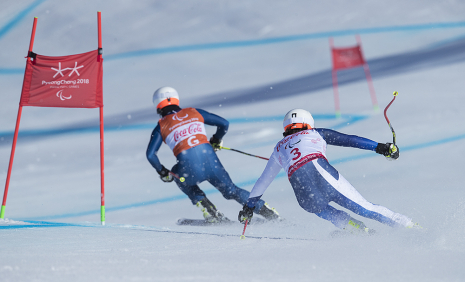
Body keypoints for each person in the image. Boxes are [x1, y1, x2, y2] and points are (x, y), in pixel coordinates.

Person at [238, 108, 420, 234]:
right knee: (365, 208)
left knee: (322, 210)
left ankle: (357, 231)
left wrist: (249, 206)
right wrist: (380, 147)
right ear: (308, 123)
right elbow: (348, 140)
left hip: (302, 194)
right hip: (322, 175)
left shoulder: (278, 148)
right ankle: (409, 227)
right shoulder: (315, 132)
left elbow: (264, 180)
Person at [146, 86, 280, 223]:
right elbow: (224, 123)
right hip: (211, 163)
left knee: (176, 174)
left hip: (188, 171)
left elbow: (151, 155)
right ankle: (267, 212)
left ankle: (211, 213)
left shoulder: (161, 126)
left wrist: (163, 171)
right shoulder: (194, 112)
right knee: (231, 191)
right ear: (176, 100)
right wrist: (216, 139)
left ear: (157, 105)